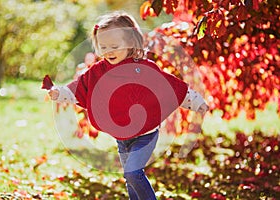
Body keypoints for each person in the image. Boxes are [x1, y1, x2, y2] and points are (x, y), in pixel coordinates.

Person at [47, 11, 208, 200]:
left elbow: (171, 87)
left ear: (131, 42)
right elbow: (80, 87)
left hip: (145, 134)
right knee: (129, 177)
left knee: (132, 172)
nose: (109, 51)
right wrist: (60, 93)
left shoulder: (144, 68)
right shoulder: (99, 71)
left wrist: (197, 102)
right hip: (121, 136)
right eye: (103, 46)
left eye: (115, 46)